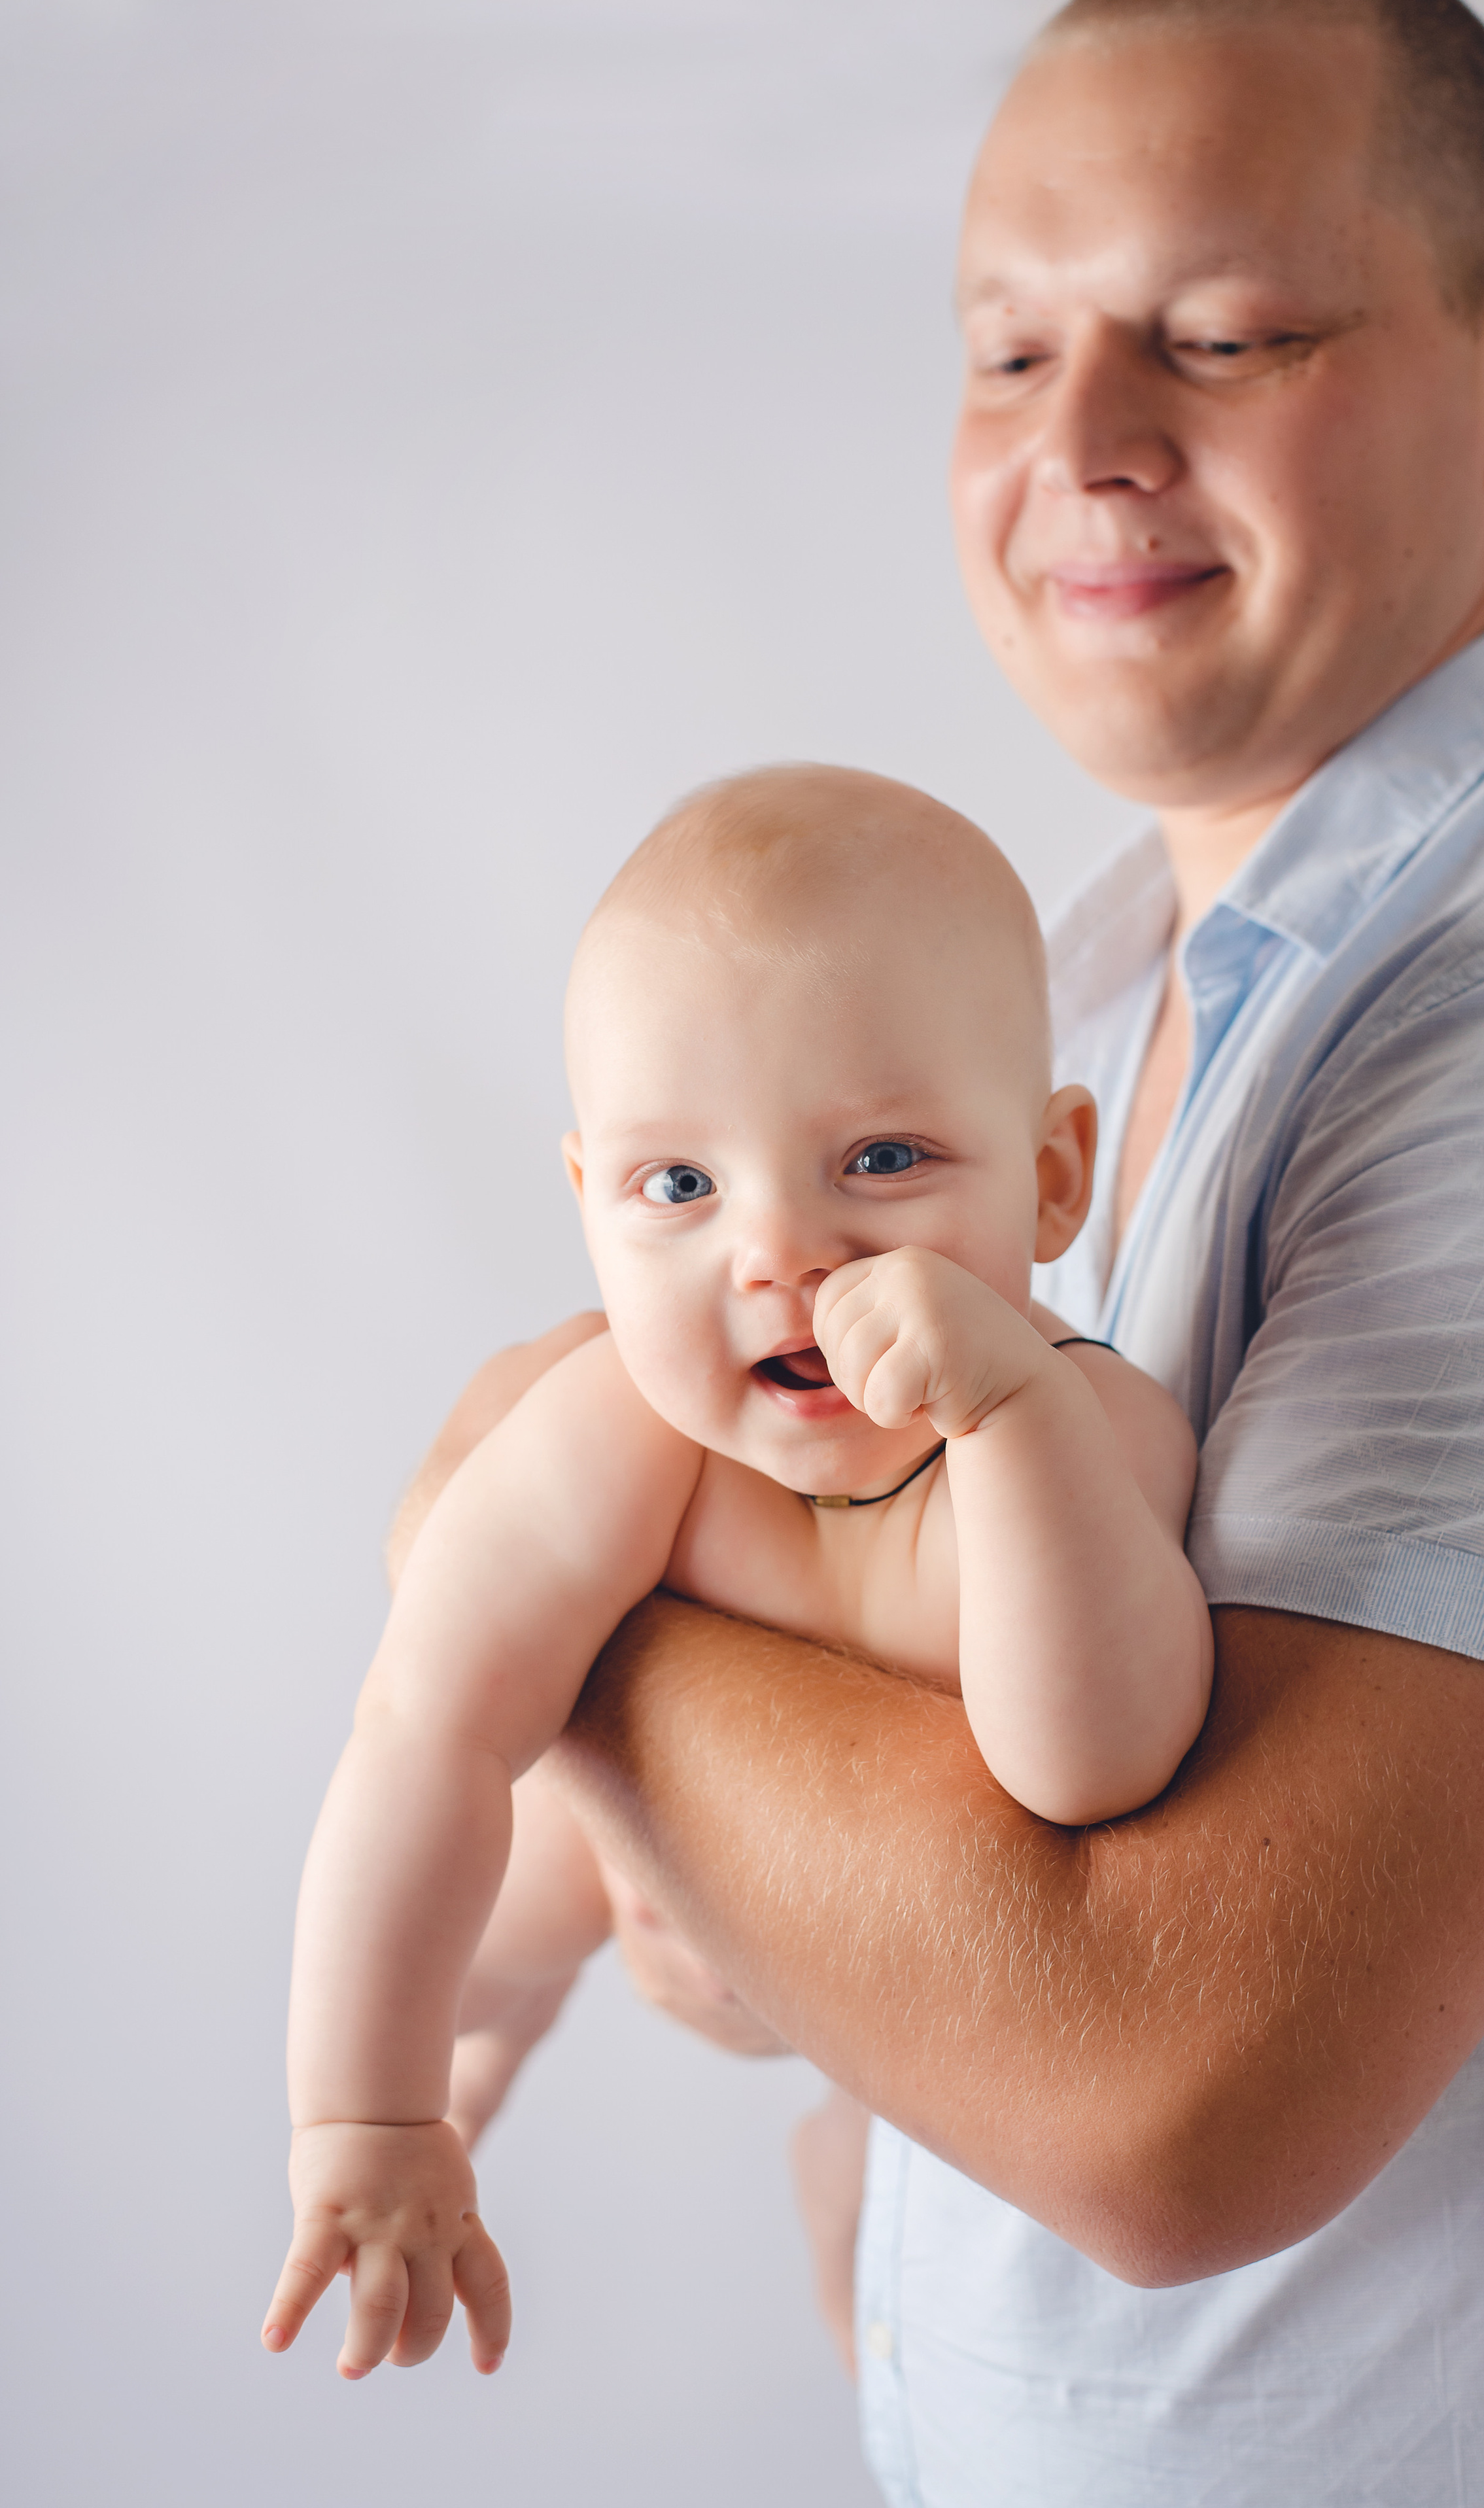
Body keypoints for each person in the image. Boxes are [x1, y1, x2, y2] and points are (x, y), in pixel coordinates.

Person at [388, 0, 1484, 2495]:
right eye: (1008, 342)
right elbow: (884, 1921)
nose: (1085, 438)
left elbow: (1175, 2089)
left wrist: (525, 1552)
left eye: (1222, 334)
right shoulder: (1066, 1002)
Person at [260, 766, 1213, 2382]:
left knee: (880, 2222)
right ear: (590, 1207)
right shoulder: (628, 1431)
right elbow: (423, 1720)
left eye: (885, 1159)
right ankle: (487, 2026)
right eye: (680, 1188)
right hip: (620, 1857)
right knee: (510, 1887)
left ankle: (839, 2171)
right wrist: (365, 2111)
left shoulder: (1085, 1433)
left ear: (1053, 1178)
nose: (778, 1253)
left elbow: (1090, 1762)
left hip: (920, 1975)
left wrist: (1004, 1416)